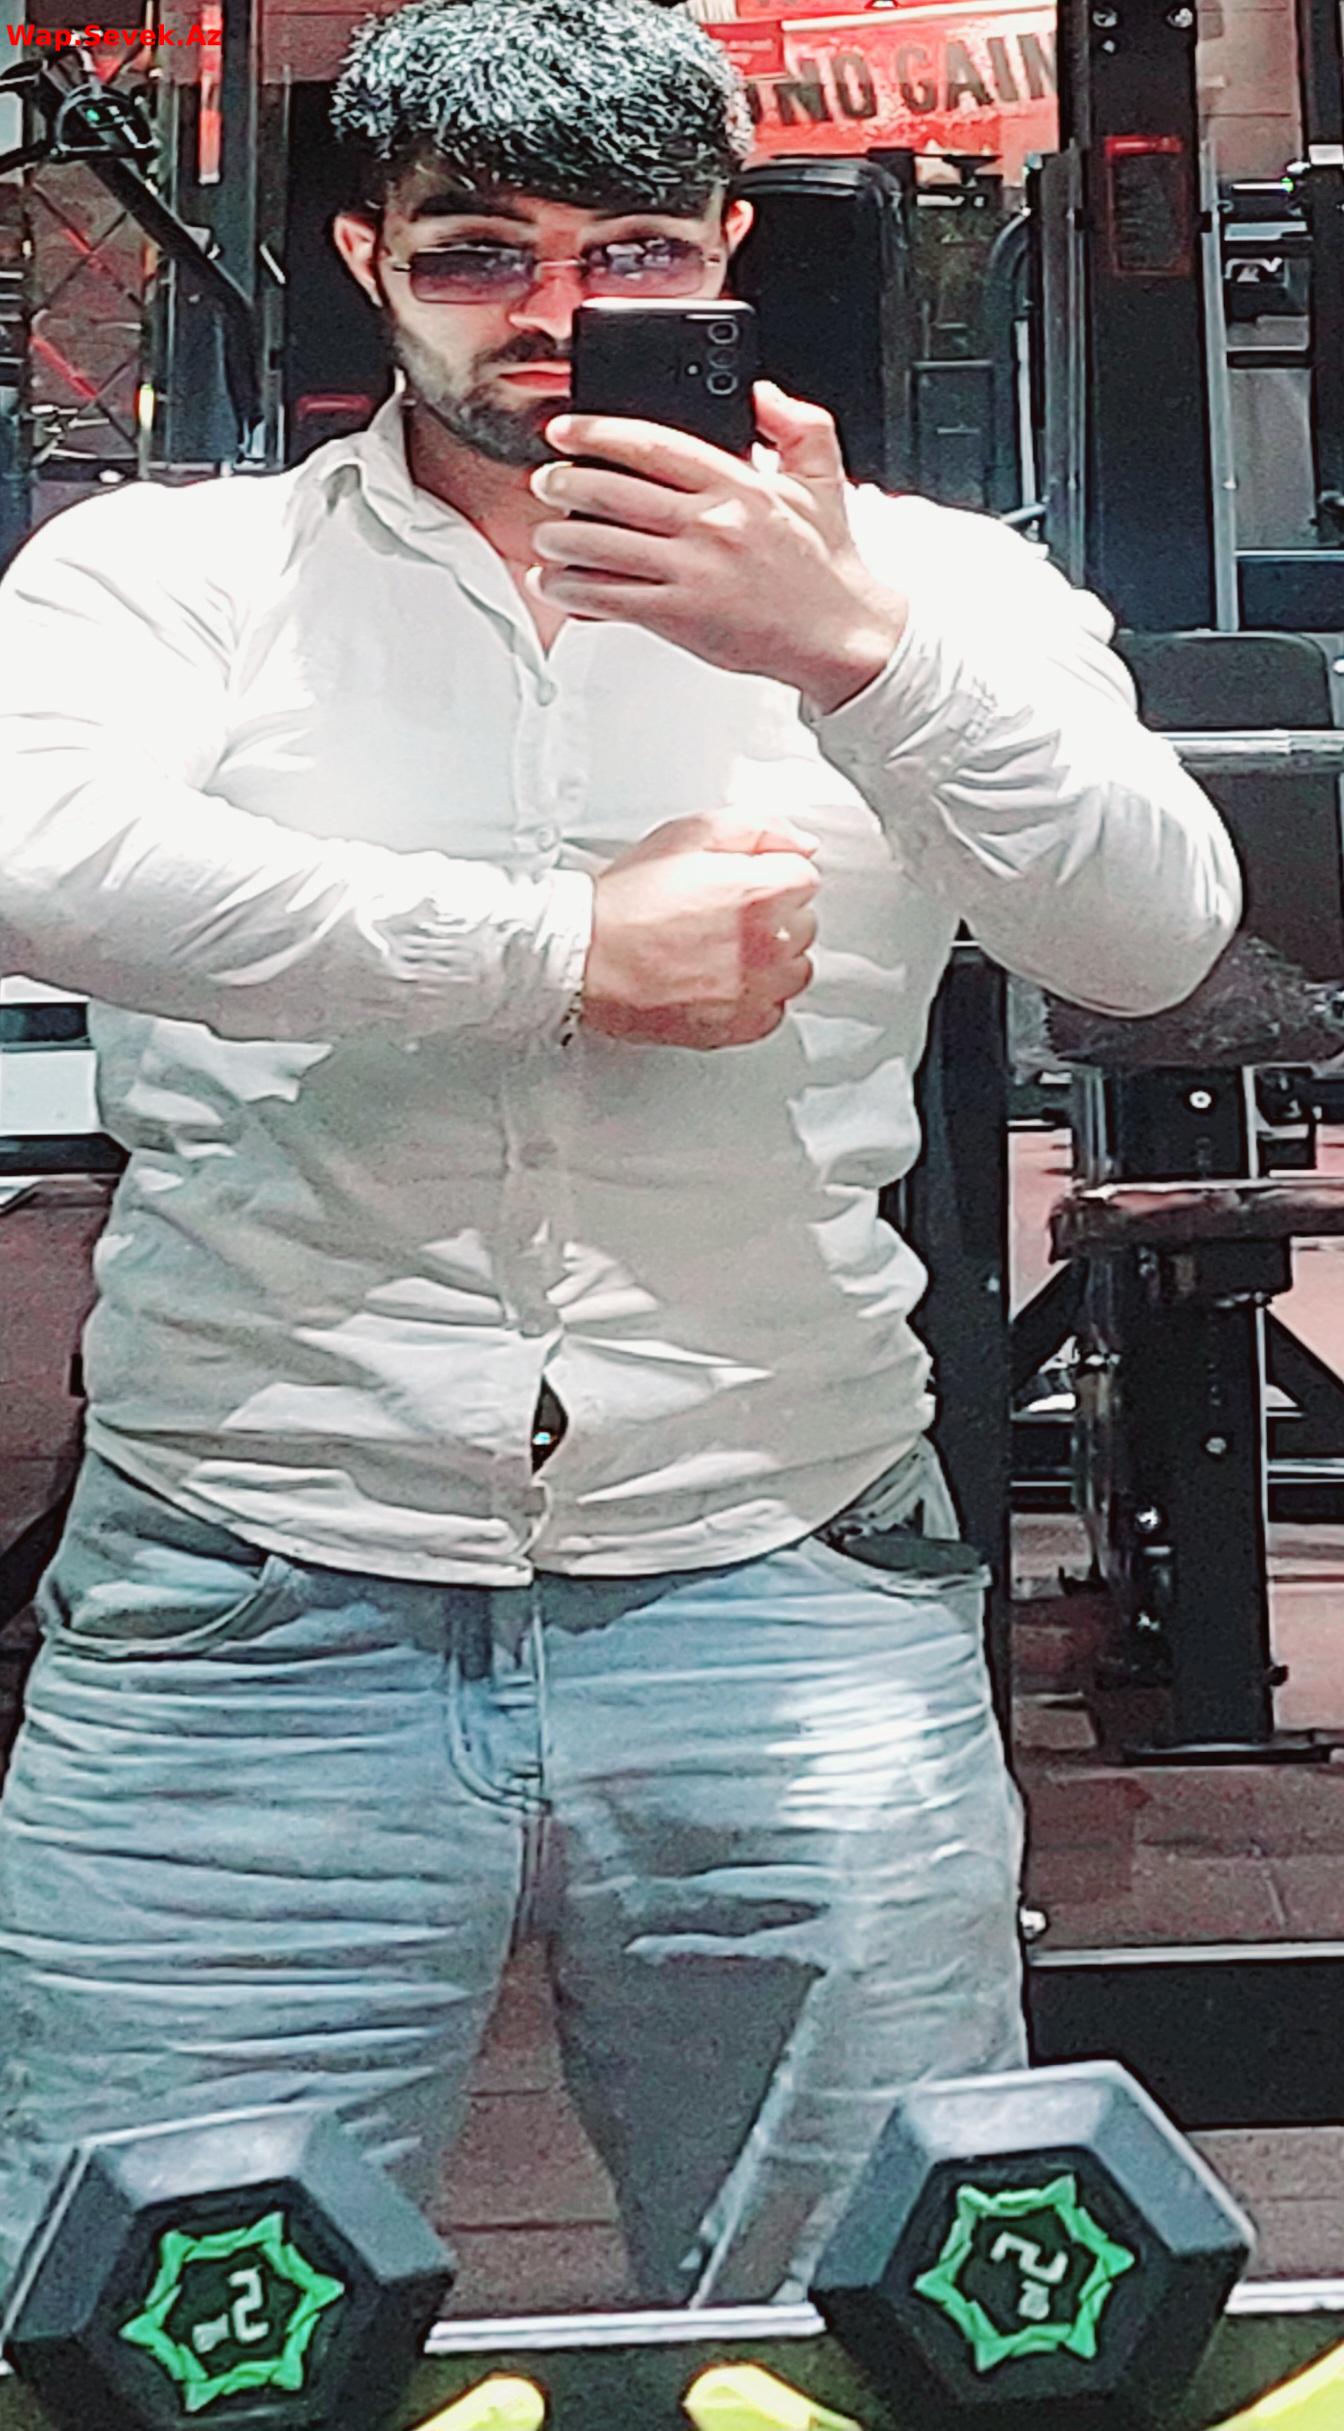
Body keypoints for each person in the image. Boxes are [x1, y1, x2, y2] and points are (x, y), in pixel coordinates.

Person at [0, 0, 1240, 2316]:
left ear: (729, 252)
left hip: (780, 1567)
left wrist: (854, 657)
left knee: (873, 2322)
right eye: (481, 249)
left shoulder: (931, 587)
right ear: (367, 259)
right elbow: (38, 861)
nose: (560, 310)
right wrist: (561, 949)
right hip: (250, 1591)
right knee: (161, 2330)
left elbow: (1152, 928)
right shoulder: (172, 579)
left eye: (634, 252)